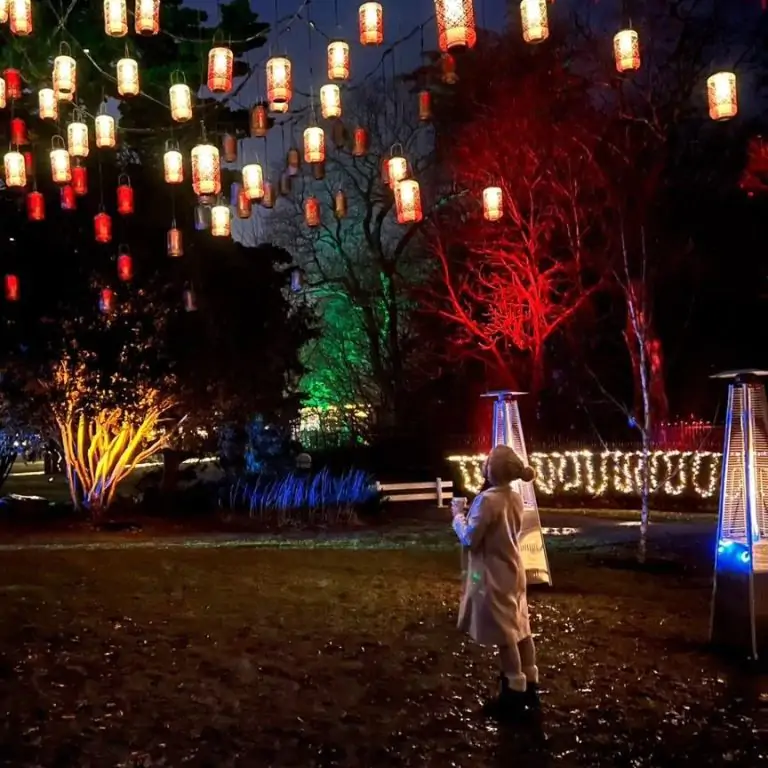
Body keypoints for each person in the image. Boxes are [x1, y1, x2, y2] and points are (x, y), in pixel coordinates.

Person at [452, 444, 538, 719]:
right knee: (521, 627)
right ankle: (531, 686)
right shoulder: (514, 497)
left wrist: (457, 516)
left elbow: (470, 538)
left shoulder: (488, 500)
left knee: (505, 636)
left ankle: (514, 691)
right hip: (513, 570)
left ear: (492, 469)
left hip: (493, 574)